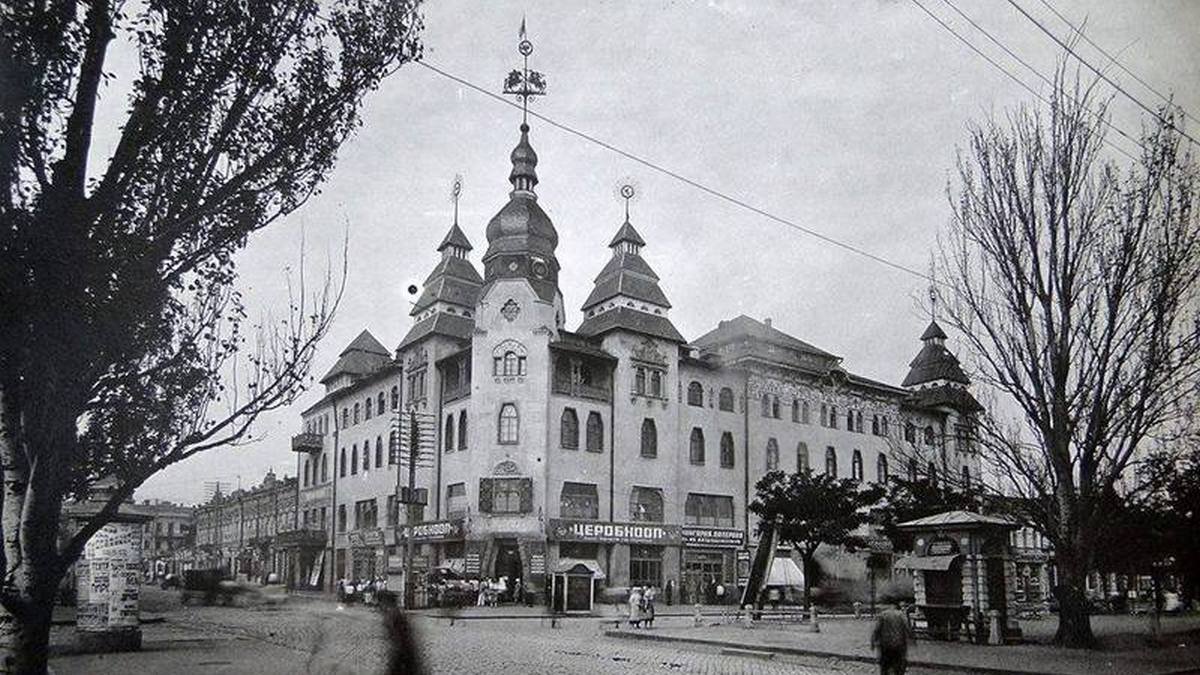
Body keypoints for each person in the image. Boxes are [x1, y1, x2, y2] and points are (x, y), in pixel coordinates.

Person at [871, 603, 914, 675]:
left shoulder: (883, 615)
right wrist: (911, 639)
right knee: (899, 665)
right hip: (899, 644)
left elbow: (877, 630)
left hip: (886, 644)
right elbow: (907, 627)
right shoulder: (901, 615)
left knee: (885, 666)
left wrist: (873, 641)